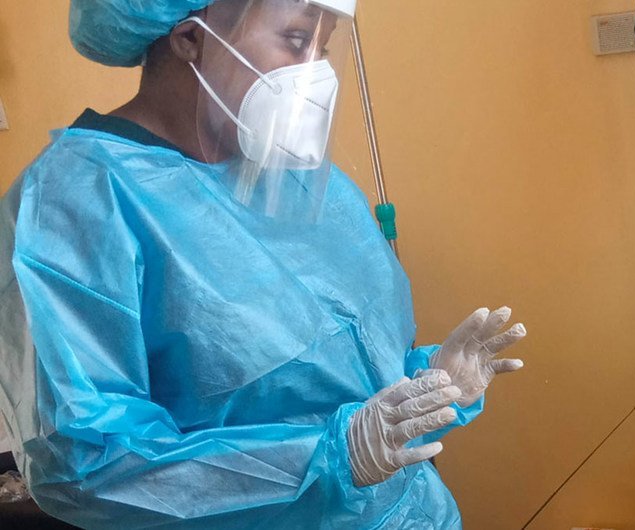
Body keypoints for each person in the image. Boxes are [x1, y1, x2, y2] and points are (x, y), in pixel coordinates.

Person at [0, 1, 528, 528]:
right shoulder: (79, 201)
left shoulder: (294, 176)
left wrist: (426, 389)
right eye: (296, 40)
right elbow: (85, 465)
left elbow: (342, 376)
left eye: (322, 48)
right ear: (190, 39)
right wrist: (335, 458)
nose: (315, 72)